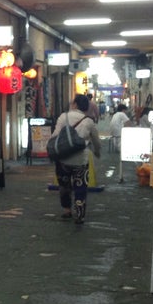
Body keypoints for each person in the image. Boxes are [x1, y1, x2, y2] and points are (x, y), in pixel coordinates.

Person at [51, 94, 101, 224]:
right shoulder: (89, 121)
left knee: (64, 186)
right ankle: (80, 215)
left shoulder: (63, 117)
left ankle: (67, 210)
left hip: (63, 159)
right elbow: (96, 140)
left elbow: (55, 135)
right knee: (80, 187)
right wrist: (97, 152)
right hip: (81, 159)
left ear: (75, 104)